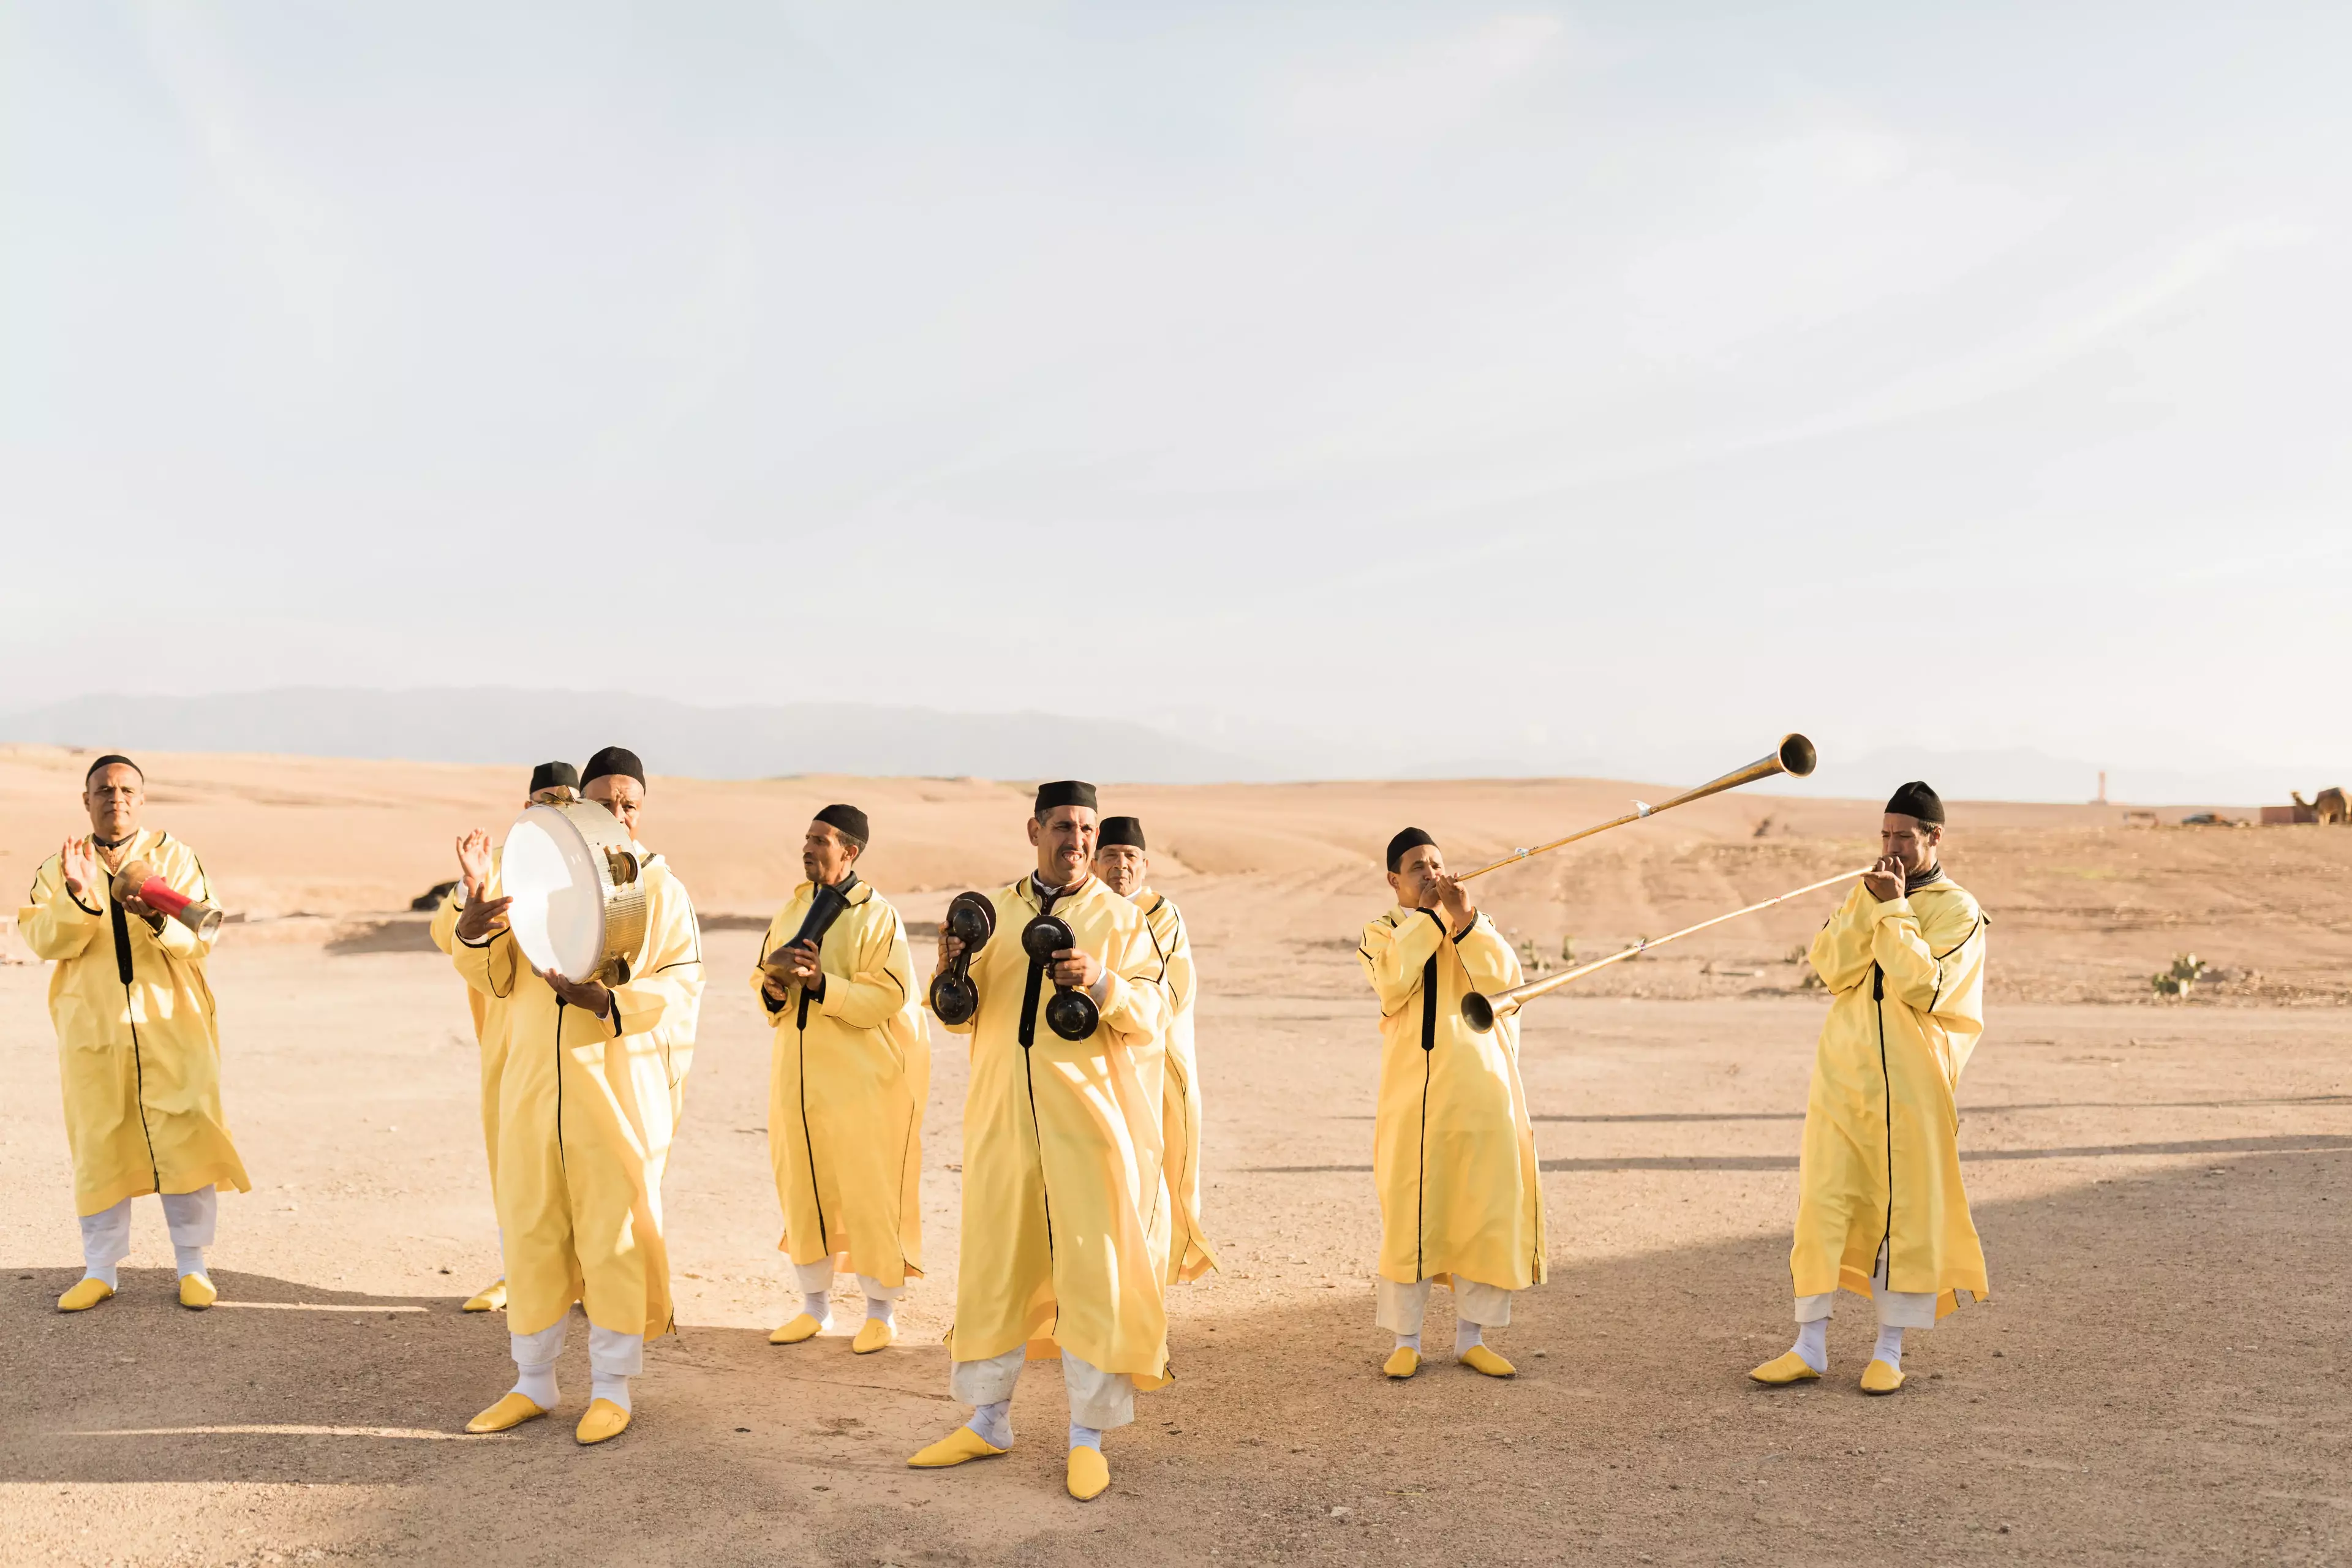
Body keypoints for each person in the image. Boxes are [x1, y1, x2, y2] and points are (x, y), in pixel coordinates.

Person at [907, 782, 1170, 1502]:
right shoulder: (994, 911)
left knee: (1092, 1271)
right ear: (1034, 829)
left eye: (1087, 828)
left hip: (1086, 1127)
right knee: (997, 1263)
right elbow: (961, 1020)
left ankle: (1087, 1436)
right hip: (1001, 1121)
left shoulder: (1120, 918)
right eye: (1064, 826)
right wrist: (949, 970)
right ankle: (989, 1419)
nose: (1078, 840)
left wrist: (1105, 980)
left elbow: (1156, 1013)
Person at [453, 746, 704, 1444]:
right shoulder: (534, 879)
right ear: (579, 807)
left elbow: (683, 983)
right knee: (531, 1225)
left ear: (642, 811)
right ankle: (532, 1382)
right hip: (534, 1086)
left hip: (611, 1092)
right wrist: (473, 927)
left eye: (630, 805)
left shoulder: (660, 890)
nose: (617, 815)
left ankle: (612, 1389)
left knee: (613, 1233)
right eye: (604, 803)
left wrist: (609, 1000)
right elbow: (492, 975)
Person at [1751, 782, 1989, 1395]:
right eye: (1885, 835)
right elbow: (1832, 966)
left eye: (1903, 837)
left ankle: (1888, 1350)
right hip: (1844, 1077)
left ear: (1934, 838)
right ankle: (1809, 1345)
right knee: (1824, 1202)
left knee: (1902, 1214)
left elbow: (1925, 987)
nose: (1891, 848)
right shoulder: (1868, 893)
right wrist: (1869, 903)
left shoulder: (1959, 910)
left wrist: (1892, 910)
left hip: (1912, 1089)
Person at [19, 755, 250, 1313]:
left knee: (187, 1135)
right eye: (103, 789)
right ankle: (100, 1270)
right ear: (86, 800)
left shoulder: (175, 857)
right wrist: (78, 896)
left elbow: (201, 937)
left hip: (172, 1022)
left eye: (126, 790)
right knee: (99, 1144)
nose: (115, 798)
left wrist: (154, 915)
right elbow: (45, 941)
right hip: (94, 1030)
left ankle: (193, 1266)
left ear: (141, 800)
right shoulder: (59, 866)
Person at [1357, 828, 1545, 1380]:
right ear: (1394, 880)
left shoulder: (1474, 926)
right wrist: (1437, 919)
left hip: (1481, 1095)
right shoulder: (1381, 932)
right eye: (1418, 867)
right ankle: (1407, 1340)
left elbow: (1507, 985)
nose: (1431, 874)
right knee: (1412, 1215)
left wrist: (1467, 923)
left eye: (1437, 864)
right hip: (1415, 1103)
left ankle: (1472, 1339)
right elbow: (1393, 982)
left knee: (1481, 1214)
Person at [756, 804, 929, 1354]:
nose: (808, 848)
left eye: (821, 840)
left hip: (862, 1083)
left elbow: (891, 994)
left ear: (849, 852)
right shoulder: (792, 908)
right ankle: (815, 1308)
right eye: (807, 838)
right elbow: (766, 980)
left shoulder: (879, 915)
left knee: (868, 1191)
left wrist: (823, 984)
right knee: (802, 1187)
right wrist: (777, 989)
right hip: (797, 1078)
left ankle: (880, 1313)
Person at [428, 760, 581, 1314]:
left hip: (580, 1038)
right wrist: (471, 889)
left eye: (565, 801)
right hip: (508, 1042)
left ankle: (591, 1277)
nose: (554, 809)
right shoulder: (494, 865)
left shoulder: (592, 867)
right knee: (515, 1163)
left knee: (580, 1164)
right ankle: (517, 1274)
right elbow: (447, 936)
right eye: (544, 799)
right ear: (526, 806)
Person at [1091, 815, 1217, 1285]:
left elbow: (1168, 994)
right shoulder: (1082, 909)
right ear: (1094, 861)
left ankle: (1146, 1296)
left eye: (1129, 857)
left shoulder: (1162, 914)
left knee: (1154, 1181)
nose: (1119, 867)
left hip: (1158, 1067)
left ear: (1144, 865)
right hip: (1096, 1064)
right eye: (1110, 856)